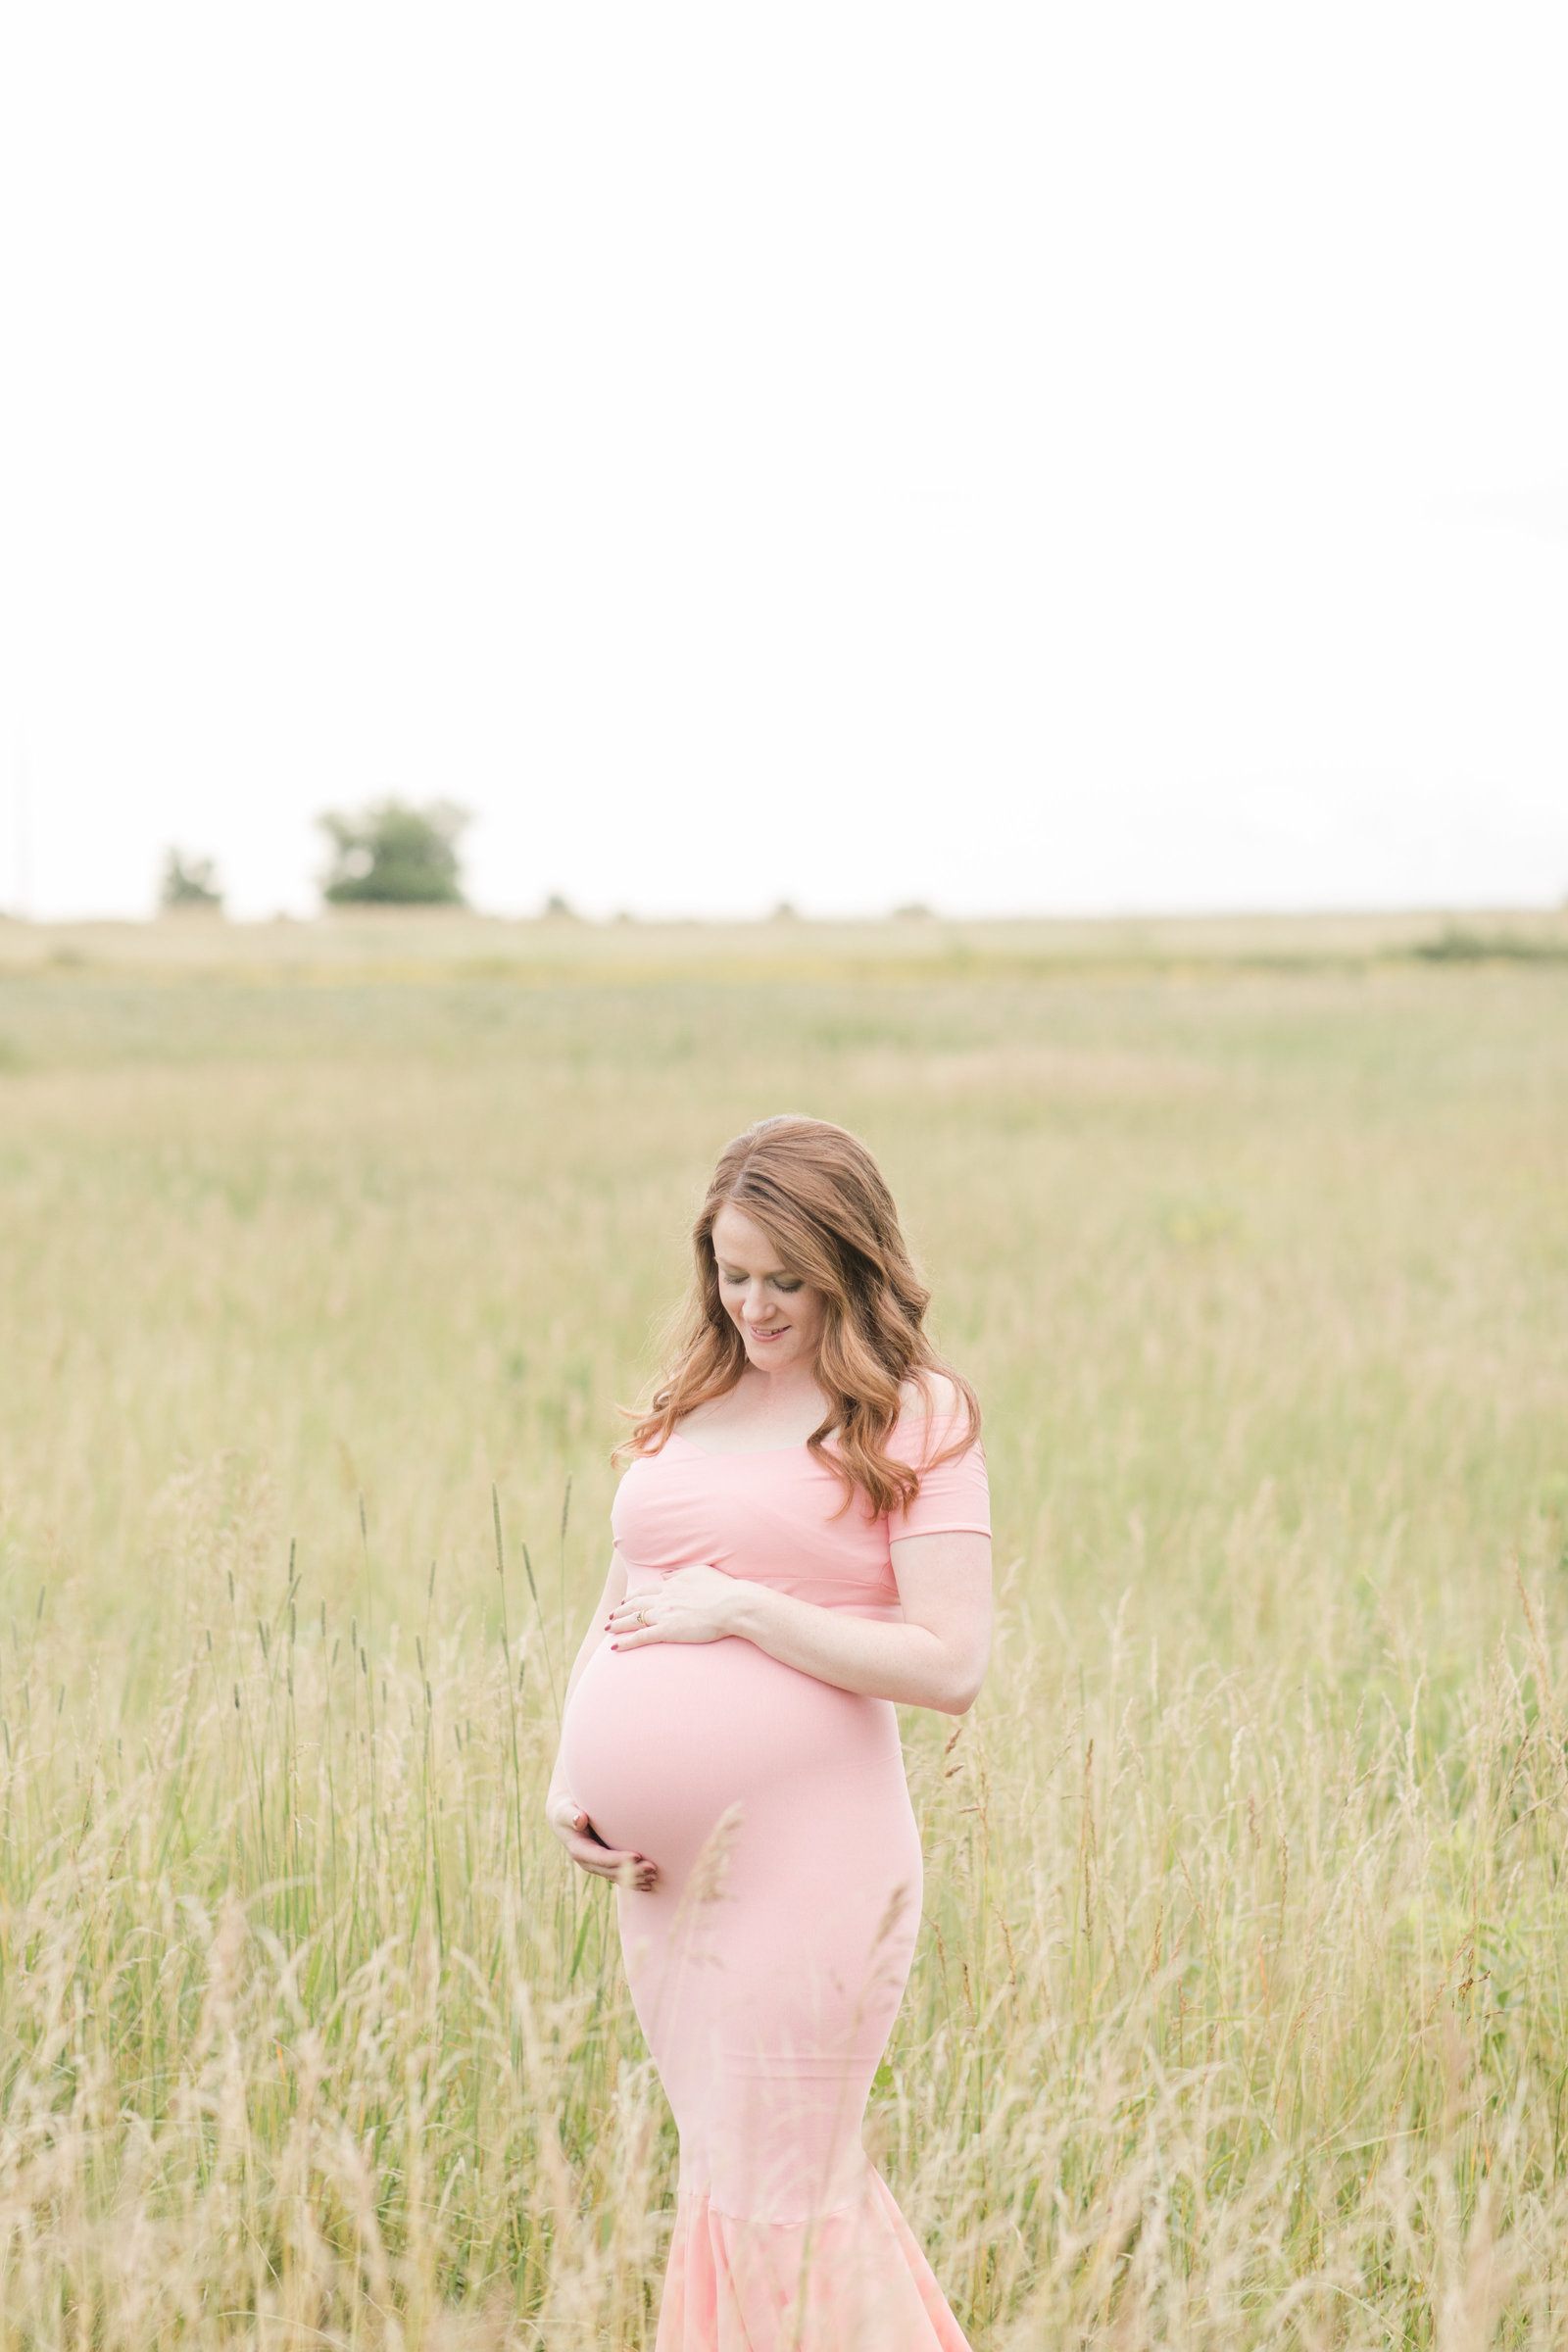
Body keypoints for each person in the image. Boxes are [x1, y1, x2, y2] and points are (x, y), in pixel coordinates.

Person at [547, 1115, 992, 2349]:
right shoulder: (692, 1400)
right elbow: (621, 1597)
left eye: (785, 1279)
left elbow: (951, 1664)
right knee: (729, 2181)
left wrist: (745, 1607)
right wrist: (566, 1784)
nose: (754, 1303)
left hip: (814, 1865)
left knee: (788, 2188)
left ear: (848, 1262)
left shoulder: (912, 1413)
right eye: (732, 1274)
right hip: (660, 1880)